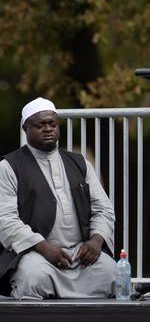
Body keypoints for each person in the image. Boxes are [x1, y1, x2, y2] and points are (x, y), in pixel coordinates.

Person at [0, 97, 116, 299]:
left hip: (81, 255)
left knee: (112, 273)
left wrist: (96, 242)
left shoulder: (80, 163)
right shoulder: (9, 166)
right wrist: (43, 247)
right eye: (40, 124)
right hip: (35, 254)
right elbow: (5, 220)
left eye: (52, 124)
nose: (48, 129)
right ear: (25, 128)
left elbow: (103, 209)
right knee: (32, 277)